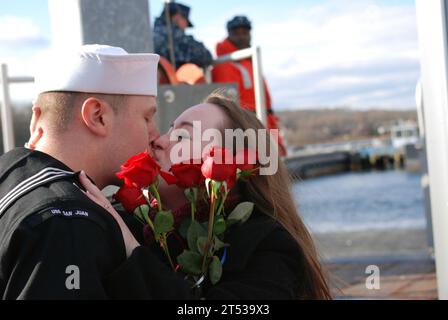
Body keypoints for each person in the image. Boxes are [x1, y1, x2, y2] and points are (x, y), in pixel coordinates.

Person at [79, 92, 332, 299]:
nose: (158, 140)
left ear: (230, 162)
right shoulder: (124, 224)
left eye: (182, 135)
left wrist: (133, 253)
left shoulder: (267, 246)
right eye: (170, 130)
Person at [0, 44, 175, 299]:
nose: (155, 134)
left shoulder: (10, 173)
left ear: (35, 117)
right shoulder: (67, 220)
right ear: (98, 116)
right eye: (146, 118)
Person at [211, 16, 287, 156]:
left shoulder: (248, 61)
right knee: (262, 172)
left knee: (273, 171)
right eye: (237, 33)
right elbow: (229, 105)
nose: (241, 37)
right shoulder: (225, 65)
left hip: (263, 125)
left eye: (245, 33)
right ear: (229, 35)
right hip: (249, 130)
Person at [153, 2, 212, 69]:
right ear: (177, 17)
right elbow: (206, 55)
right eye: (186, 21)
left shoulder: (151, 34)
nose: (186, 26)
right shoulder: (174, 36)